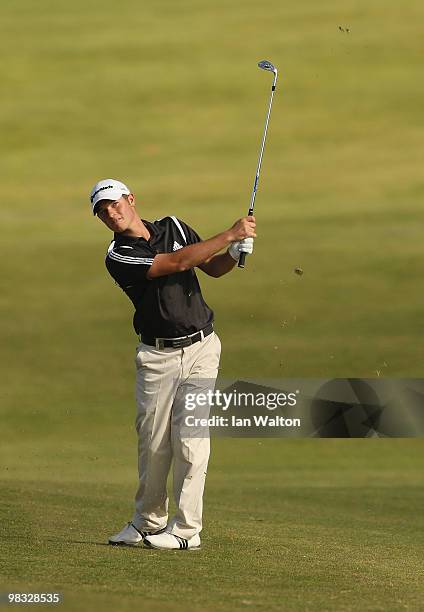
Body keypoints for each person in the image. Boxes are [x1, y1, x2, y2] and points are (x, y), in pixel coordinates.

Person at [90, 178, 256, 550]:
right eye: (102, 212)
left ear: (131, 199)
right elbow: (179, 261)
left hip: (202, 349)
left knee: (191, 442)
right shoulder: (119, 255)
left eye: (114, 204)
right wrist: (230, 234)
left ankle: (186, 530)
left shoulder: (175, 227)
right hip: (157, 357)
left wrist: (234, 252)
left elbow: (210, 267)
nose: (111, 214)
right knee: (153, 444)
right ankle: (148, 522)